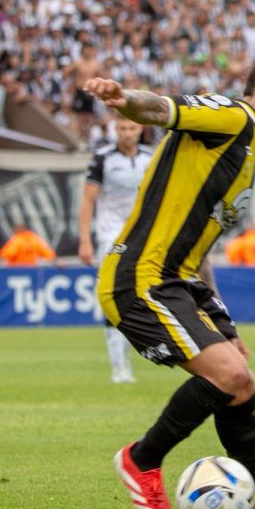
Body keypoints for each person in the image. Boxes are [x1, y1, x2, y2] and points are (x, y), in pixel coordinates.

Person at [84, 52, 255, 509]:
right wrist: (125, 99)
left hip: (179, 282)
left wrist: (220, 319)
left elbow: (198, 244)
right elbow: (160, 110)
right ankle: (141, 459)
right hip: (140, 279)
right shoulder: (231, 117)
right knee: (229, 376)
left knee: (240, 382)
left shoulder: (247, 148)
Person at [78, 115, 154, 384]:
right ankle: (119, 366)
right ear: (115, 130)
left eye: (132, 128)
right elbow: (88, 200)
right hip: (111, 236)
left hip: (142, 235)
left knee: (140, 297)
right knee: (112, 296)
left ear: (140, 129)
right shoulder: (102, 158)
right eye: (122, 128)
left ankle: (139, 353)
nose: (127, 133)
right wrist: (85, 240)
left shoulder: (151, 157)